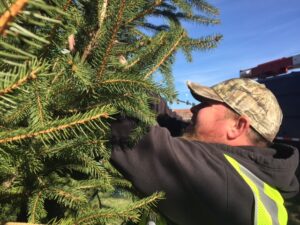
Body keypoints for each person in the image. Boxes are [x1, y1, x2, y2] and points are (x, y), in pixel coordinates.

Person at [110, 78, 299, 225]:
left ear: (237, 126)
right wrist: (134, 81)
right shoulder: (251, 171)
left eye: (205, 104)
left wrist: (108, 77)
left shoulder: (223, 185)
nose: (193, 108)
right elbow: (170, 121)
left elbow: (132, 136)